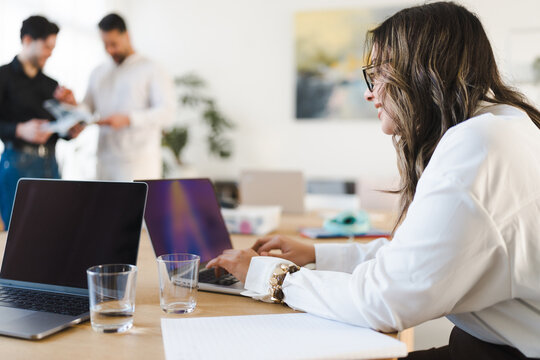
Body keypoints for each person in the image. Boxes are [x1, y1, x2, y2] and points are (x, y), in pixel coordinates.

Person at [207, 2, 540, 359]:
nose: (370, 93)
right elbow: (423, 253)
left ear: (421, 71)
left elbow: (385, 302)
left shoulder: (478, 146)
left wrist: (270, 276)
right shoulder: (502, 127)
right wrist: (315, 254)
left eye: (379, 74)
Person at [0, 15, 83, 229]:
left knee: (53, 231)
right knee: (18, 235)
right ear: (28, 40)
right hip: (17, 164)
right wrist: (19, 129)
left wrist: (71, 123)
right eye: (47, 46)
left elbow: (59, 130)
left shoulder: (51, 85)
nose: (50, 53)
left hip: (50, 165)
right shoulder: (3, 77)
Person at [82, 13, 175, 181]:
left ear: (127, 36)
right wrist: (71, 107)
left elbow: (167, 113)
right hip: (104, 163)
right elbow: (86, 108)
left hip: (138, 166)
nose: (110, 50)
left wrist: (129, 119)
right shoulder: (98, 72)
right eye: (105, 45)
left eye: (114, 44)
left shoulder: (152, 69)